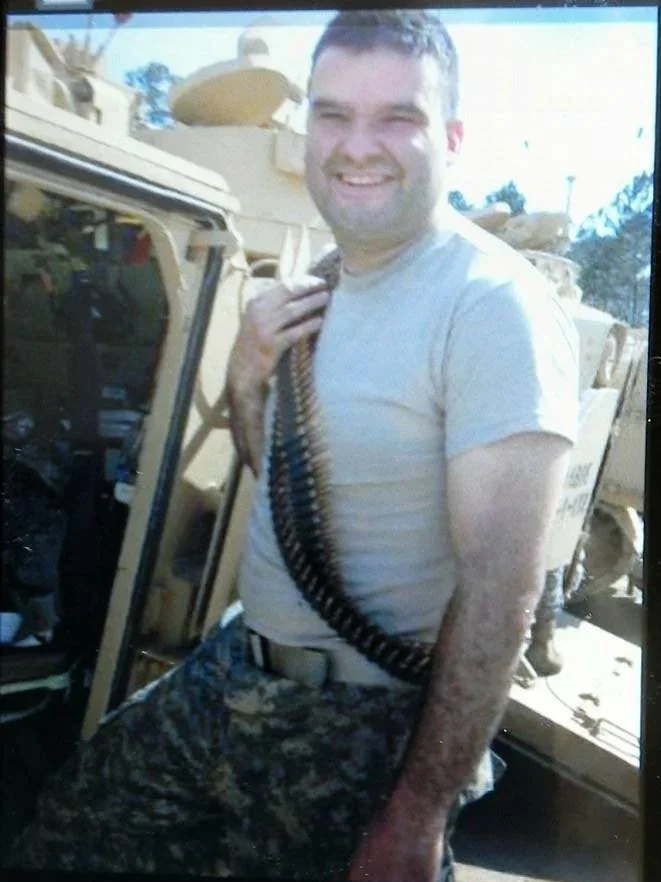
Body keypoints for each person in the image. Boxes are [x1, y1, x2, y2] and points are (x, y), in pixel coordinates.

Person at [8, 10, 579, 881]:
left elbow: (502, 586)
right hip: (238, 666)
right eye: (333, 114)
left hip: (357, 725)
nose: (358, 145)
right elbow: (277, 480)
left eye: (398, 116)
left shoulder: (490, 306)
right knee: (72, 836)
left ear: (453, 137)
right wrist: (245, 376)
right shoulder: (324, 282)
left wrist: (415, 818)